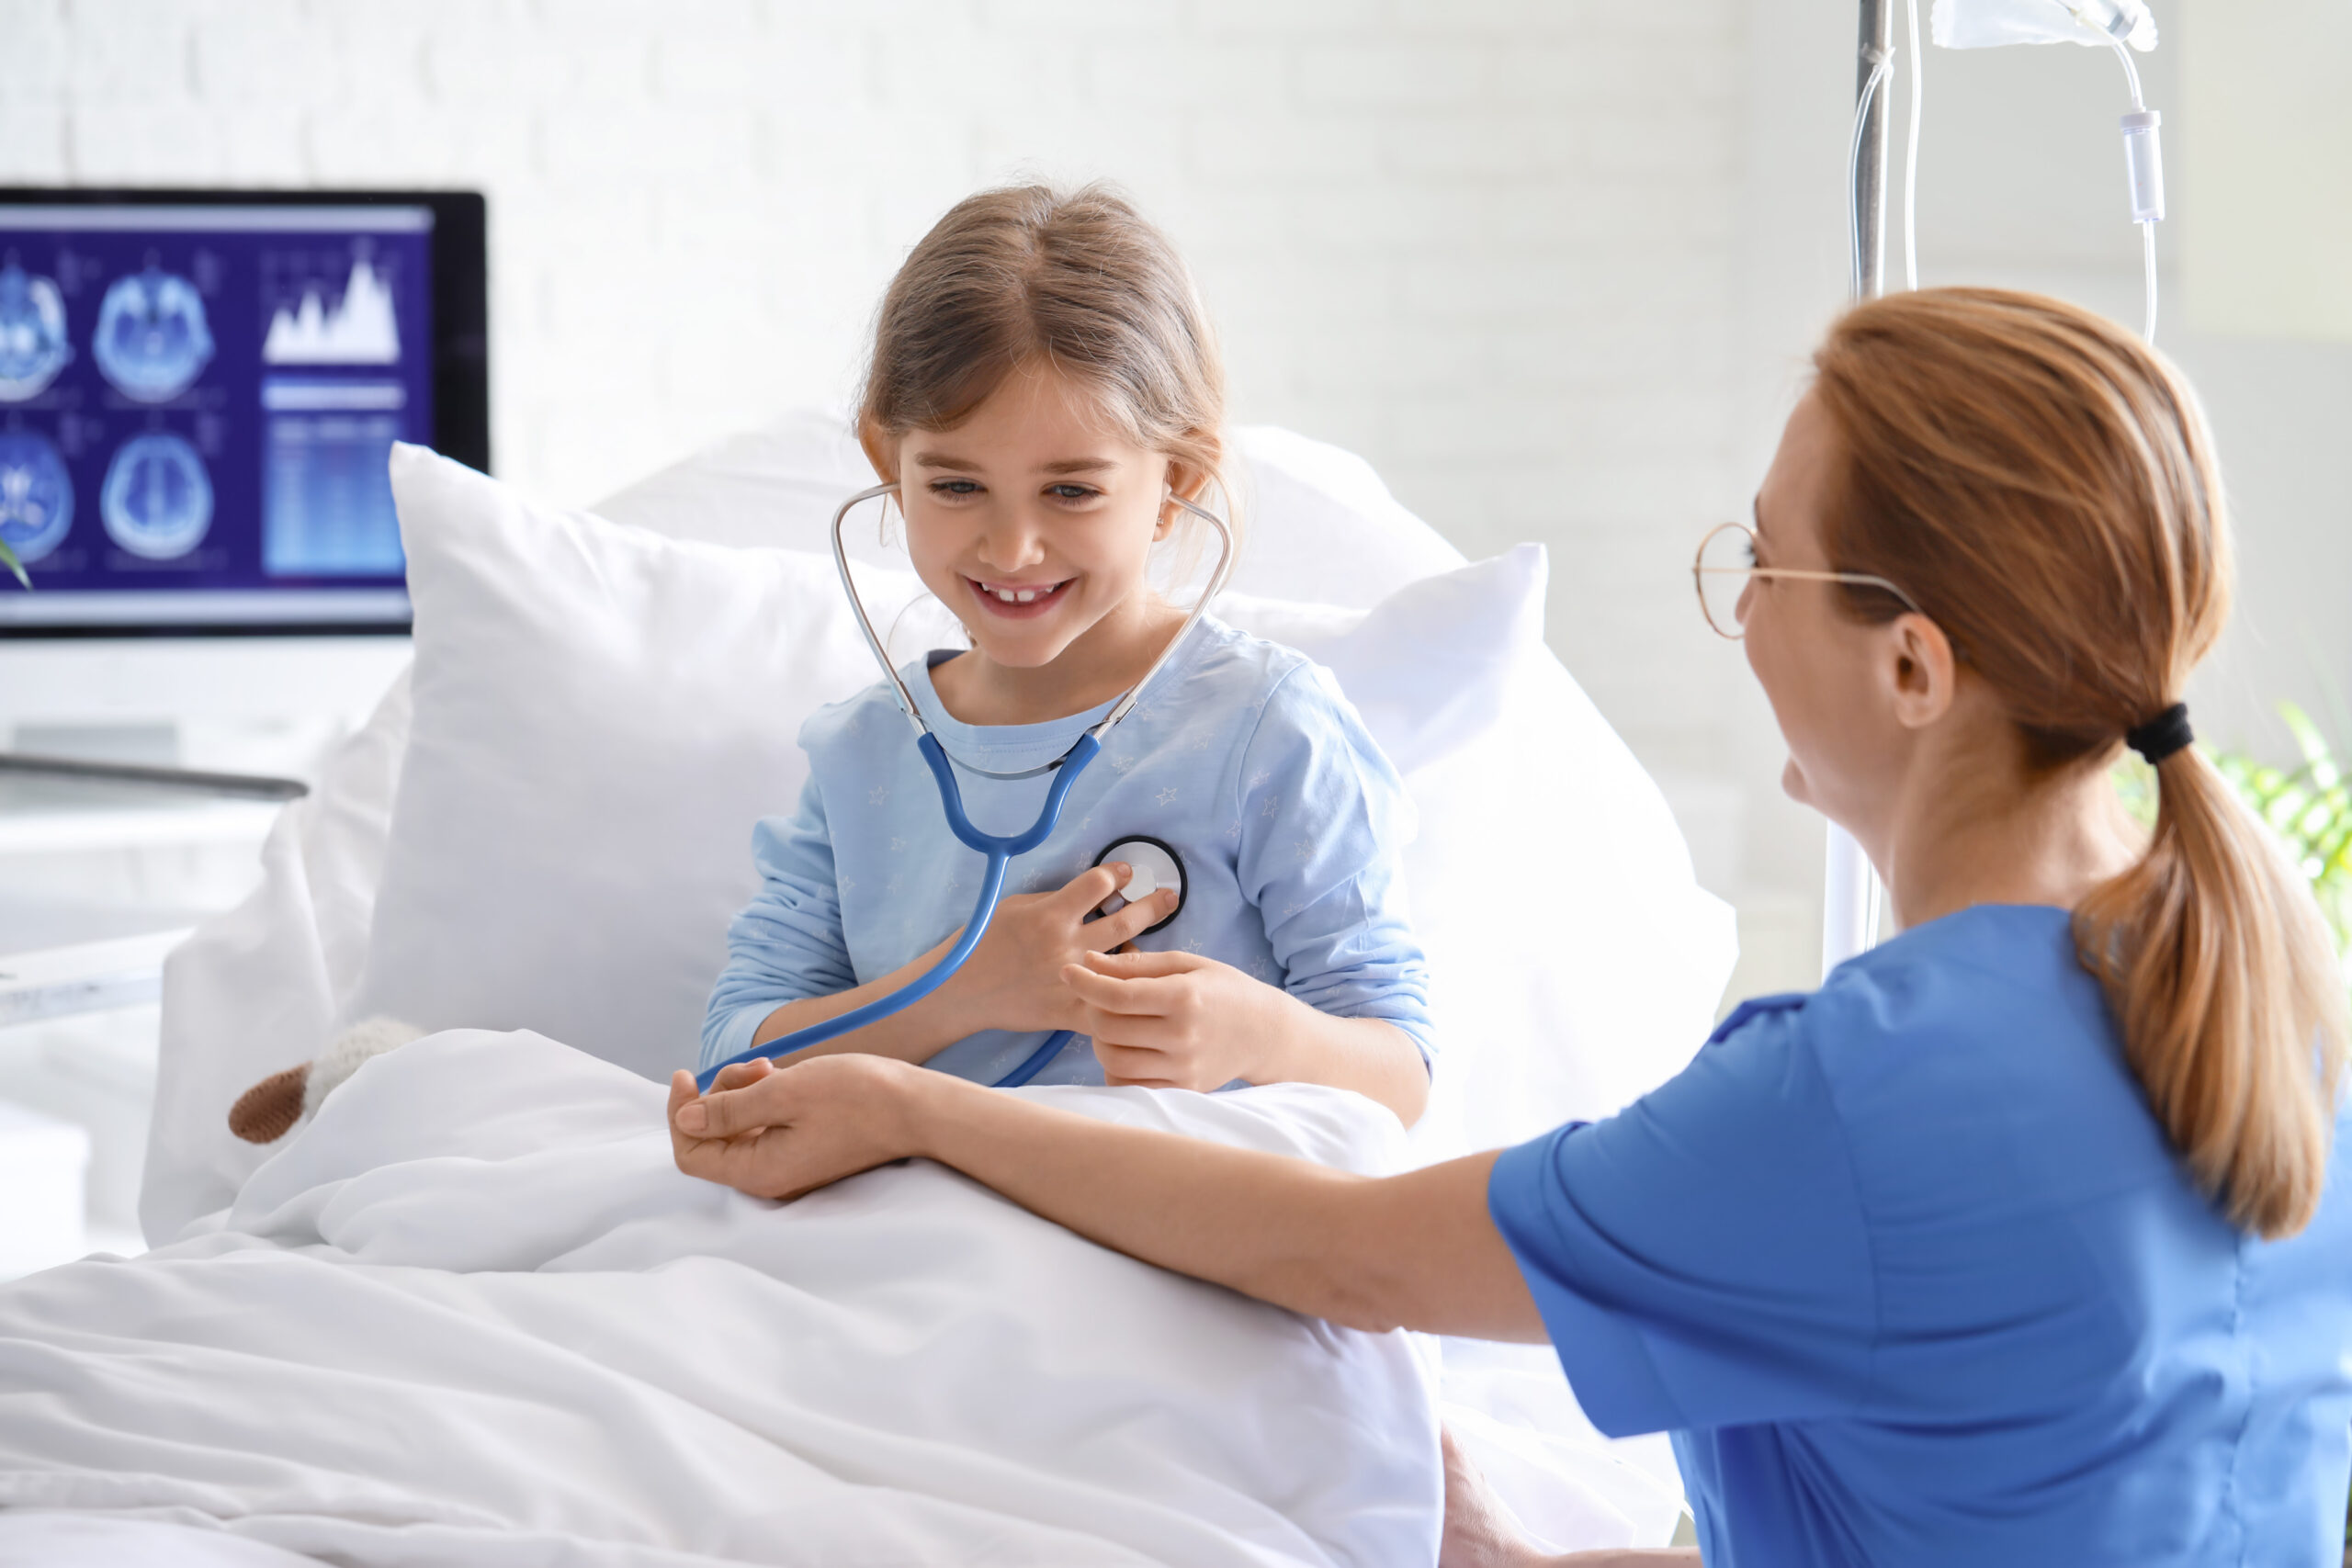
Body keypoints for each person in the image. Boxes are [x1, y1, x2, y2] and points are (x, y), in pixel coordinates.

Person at [671, 287, 2352, 1566]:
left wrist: (918, 1100)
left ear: (1912, 666)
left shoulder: (1860, 1090)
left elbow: (1344, 1248)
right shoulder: (2264, 998)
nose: (1742, 615)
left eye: (1759, 564)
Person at [698, 183, 1435, 1125]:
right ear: (887, 461)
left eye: (1072, 492)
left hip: (1158, 1234)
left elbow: (1400, 1075)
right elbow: (732, 1062)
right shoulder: (864, 754)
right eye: (957, 484)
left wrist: (1261, 1035)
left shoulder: (1265, 727)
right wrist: (958, 991)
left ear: (1177, 482)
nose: (1010, 549)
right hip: (909, 1230)